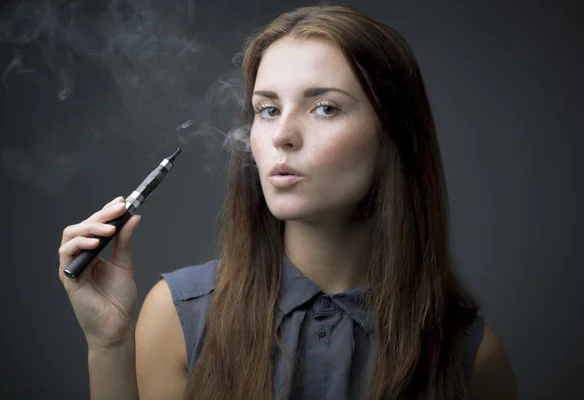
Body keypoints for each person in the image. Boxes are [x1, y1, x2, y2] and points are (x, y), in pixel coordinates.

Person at [58, 5, 517, 400]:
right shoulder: (179, 316)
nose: (282, 135)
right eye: (268, 109)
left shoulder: (470, 357)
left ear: (393, 134)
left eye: (325, 108)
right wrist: (109, 345)